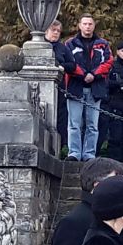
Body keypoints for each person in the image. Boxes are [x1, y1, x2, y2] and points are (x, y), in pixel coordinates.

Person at [59, 14, 113, 162]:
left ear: (94, 26)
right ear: (80, 25)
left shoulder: (103, 44)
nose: (87, 27)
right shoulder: (70, 44)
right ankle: (74, 153)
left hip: (96, 88)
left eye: (90, 24)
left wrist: (94, 75)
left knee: (92, 125)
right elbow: (68, 62)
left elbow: (108, 62)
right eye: (85, 24)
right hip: (75, 87)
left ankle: (89, 154)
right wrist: (83, 74)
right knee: (74, 123)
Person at [47, 20, 70, 154]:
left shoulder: (63, 48)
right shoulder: (40, 46)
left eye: (58, 31)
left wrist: (62, 66)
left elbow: (72, 64)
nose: (56, 33)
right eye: (53, 30)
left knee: (61, 118)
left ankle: (60, 147)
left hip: (60, 88)